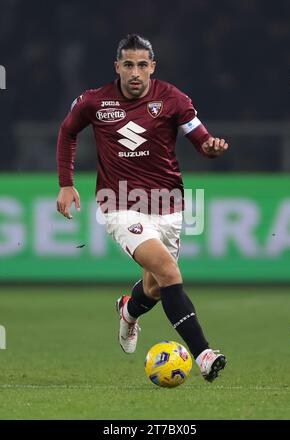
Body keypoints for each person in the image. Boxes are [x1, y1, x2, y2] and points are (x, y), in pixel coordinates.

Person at [56, 34, 229, 382]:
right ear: (117, 67)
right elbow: (67, 131)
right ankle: (204, 354)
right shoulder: (94, 101)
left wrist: (210, 147)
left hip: (168, 206)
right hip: (119, 204)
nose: (135, 72)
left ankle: (128, 311)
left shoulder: (173, 99)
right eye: (128, 64)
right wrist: (66, 182)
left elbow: (200, 139)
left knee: (153, 288)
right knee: (169, 273)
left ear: (152, 67)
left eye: (142, 65)